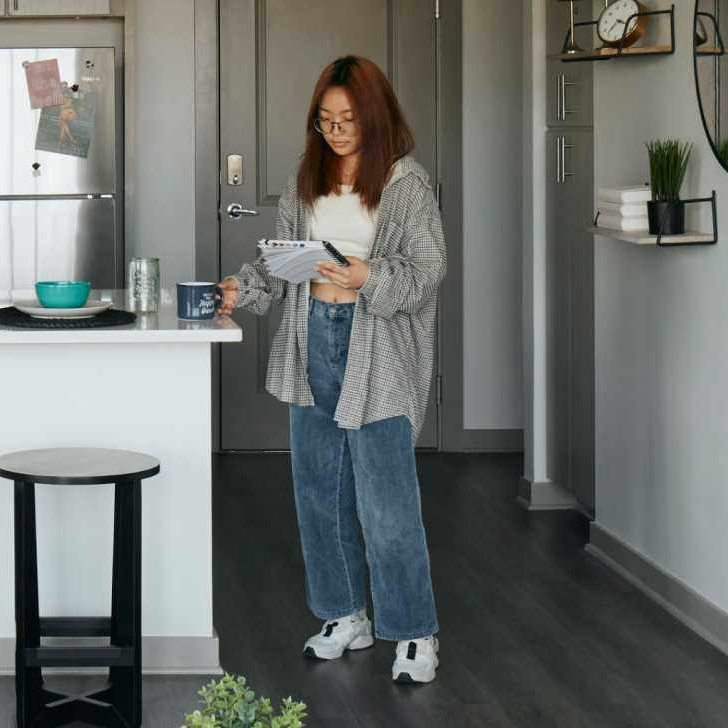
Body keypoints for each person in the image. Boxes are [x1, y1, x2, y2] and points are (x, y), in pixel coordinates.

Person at [218, 54, 447, 685]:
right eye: (325, 121)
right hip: (312, 336)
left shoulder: (406, 183)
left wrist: (364, 274)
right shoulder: (308, 176)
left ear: (374, 118)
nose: (336, 132)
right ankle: (346, 614)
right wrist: (241, 289)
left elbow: (427, 272)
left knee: (386, 500)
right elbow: (281, 263)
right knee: (317, 489)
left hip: (377, 347)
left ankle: (414, 629)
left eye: (347, 120)